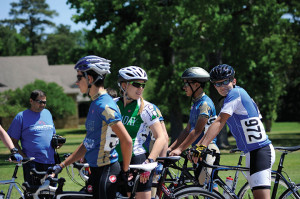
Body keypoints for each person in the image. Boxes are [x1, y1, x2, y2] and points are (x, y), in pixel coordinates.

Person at [52, 55, 132, 199]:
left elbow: (127, 141)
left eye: (79, 78)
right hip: (96, 170)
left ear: (89, 79)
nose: (76, 82)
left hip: (107, 169)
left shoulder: (105, 105)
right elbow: (88, 142)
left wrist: (125, 172)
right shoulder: (95, 103)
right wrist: (62, 165)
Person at [191, 64, 275, 199]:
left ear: (233, 81)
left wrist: (201, 146)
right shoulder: (235, 95)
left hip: (260, 151)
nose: (222, 86)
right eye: (217, 84)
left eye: (225, 82)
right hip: (251, 152)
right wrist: (198, 145)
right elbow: (215, 124)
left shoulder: (235, 93)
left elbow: (219, 122)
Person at [115, 66, 167, 199]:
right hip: (115, 161)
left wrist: (149, 162)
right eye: (137, 84)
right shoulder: (113, 105)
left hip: (137, 160)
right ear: (123, 85)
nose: (141, 88)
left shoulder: (147, 108)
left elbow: (161, 137)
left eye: (143, 85)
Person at [168, 67, 220, 188]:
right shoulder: (196, 103)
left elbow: (197, 130)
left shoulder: (204, 104)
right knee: (201, 186)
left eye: (186, 84)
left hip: (208, 149)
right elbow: (187, 130)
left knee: (208, 187)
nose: (184, 87)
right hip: (197, 150)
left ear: (196, 85)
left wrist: (180, 149)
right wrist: (171, 148)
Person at [7, 90, 58, 185]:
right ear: (31, 101)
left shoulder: (47, 113)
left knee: (52, 192)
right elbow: (12, 141)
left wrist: (58, 143)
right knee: (34, 194)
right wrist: (25, 158)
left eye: (45, 102)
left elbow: (53, 135)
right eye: (40, 102)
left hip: (51, 162)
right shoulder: (21, 117)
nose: (43, 105)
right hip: (32, 163)